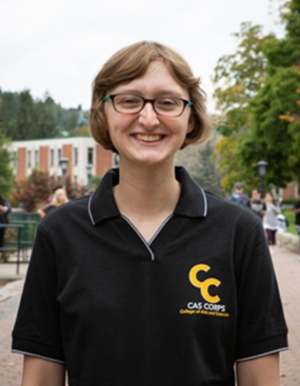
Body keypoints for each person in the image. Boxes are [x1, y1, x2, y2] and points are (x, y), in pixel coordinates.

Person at [12, 41, 288, 386]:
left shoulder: (238, 232)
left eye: (167, 102)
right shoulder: (59, 233)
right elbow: (39, 379)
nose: (148, 117)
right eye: (128, 100)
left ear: (190, 117)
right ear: (104, 113)